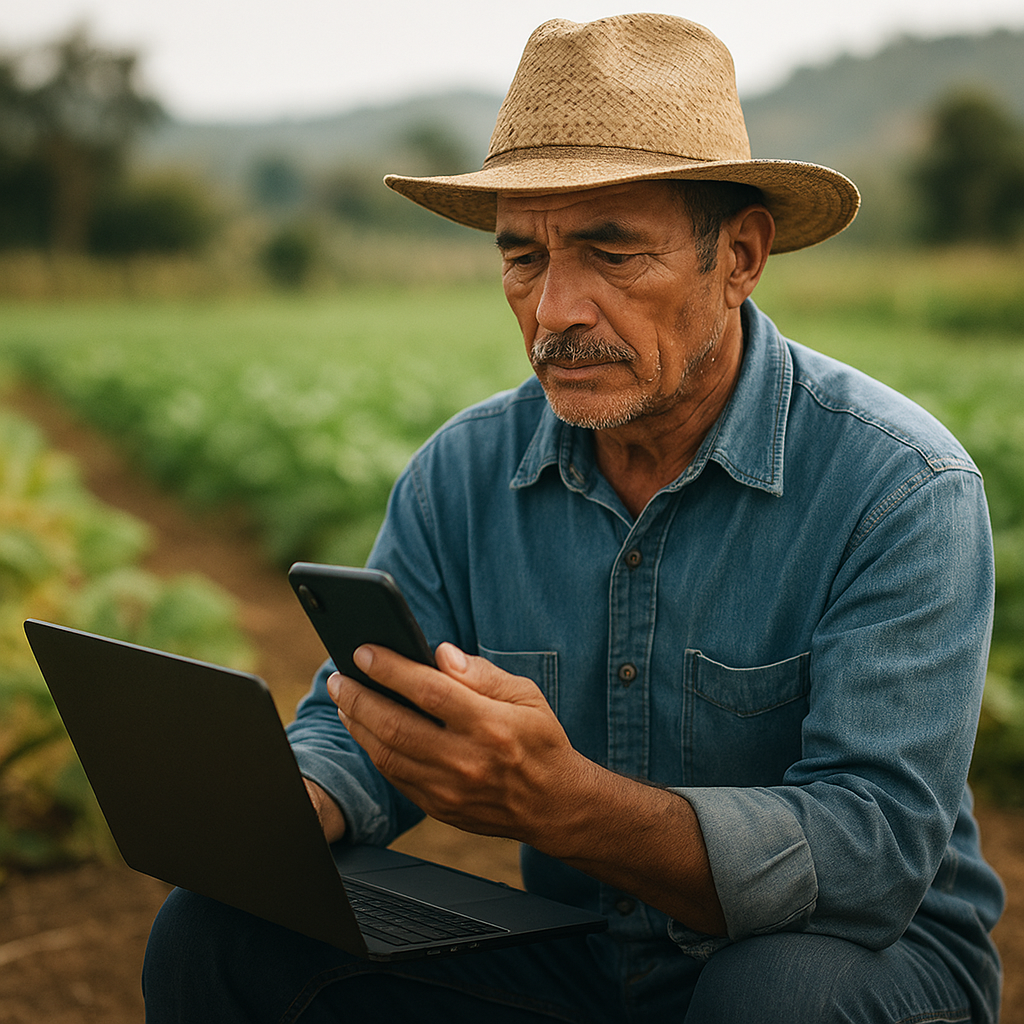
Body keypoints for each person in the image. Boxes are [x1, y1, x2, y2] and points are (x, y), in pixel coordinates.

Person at [143, 13, 1005, 1023]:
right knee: (217, 929)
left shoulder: (898, 487)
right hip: (585, 953)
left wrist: (570, 807)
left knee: (772, 995)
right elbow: (361, 719)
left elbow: (873, 856)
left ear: (739, 256)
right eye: (523, 257)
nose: (554, 309)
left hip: (855, 963)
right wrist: (302, 798)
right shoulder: (460, 473)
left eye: (610, 252)